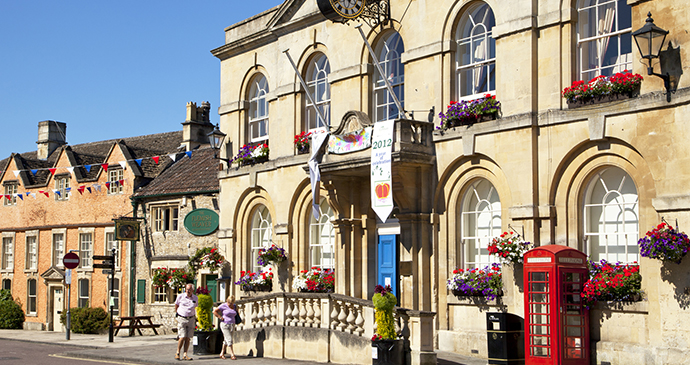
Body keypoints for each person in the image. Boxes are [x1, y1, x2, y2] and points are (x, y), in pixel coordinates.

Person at [175, 283, 198, 361]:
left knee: (188, 338)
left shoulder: (195, 298)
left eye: (189, 290)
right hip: (182, 318)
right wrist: (178, 314)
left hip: (191, 319)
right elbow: (176, 305)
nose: (188, 291)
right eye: (187, 289)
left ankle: (185, 354)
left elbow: (196, 307)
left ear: (192, 290)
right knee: (182, 337)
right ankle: (177, 353)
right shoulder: (180, 296)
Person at [213, 295, 238, 360]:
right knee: (229, 339)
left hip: (232, 324)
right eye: (229, 302)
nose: (230, 304)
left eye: (231, 303)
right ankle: (232, 354)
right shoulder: (223, 305)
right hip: (225, 324)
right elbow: (214, 311)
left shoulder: (234, 306)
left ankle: (222, 353)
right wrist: (220, 317)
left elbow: (236, 313)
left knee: (226, 340)